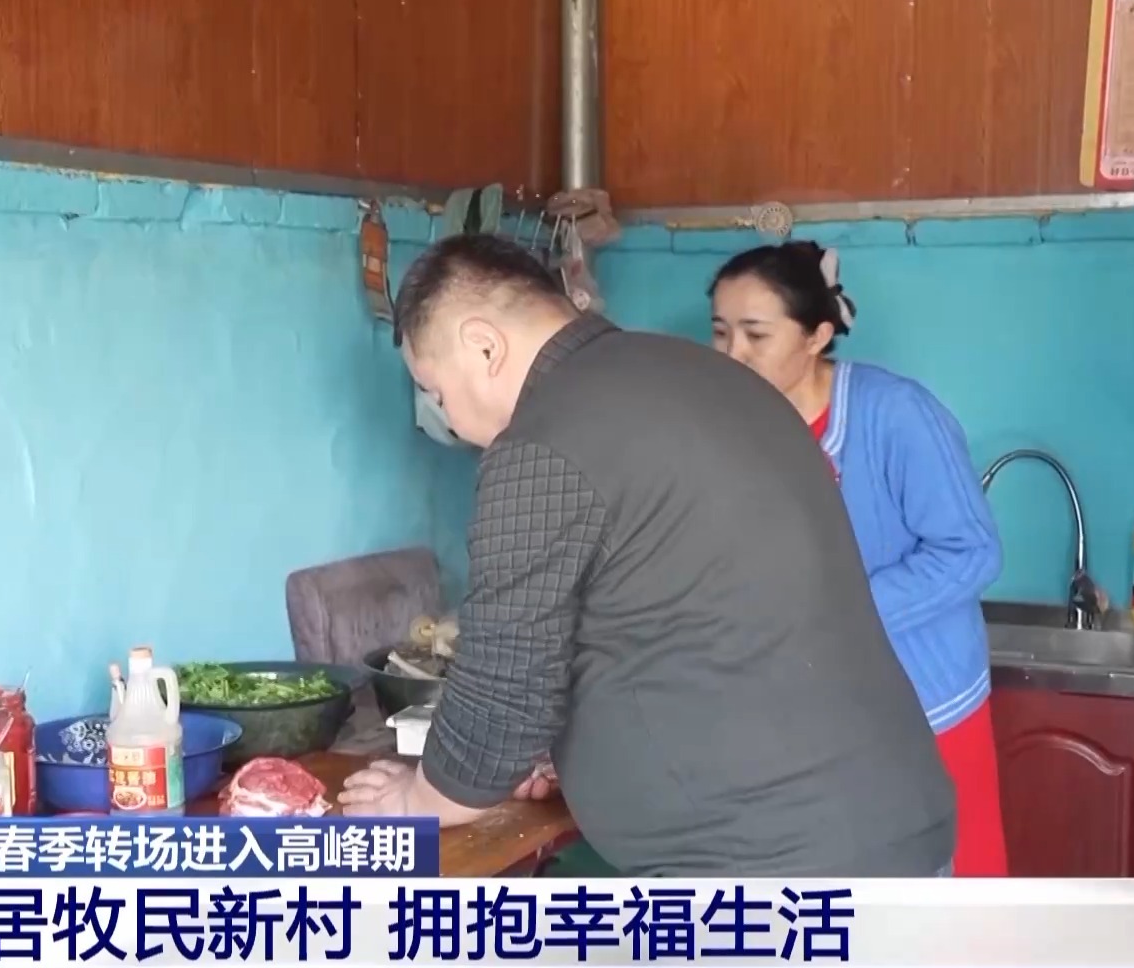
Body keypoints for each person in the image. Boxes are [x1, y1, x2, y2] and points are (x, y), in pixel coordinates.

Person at [338, 233, 956, 877]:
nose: (453, 425)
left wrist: (416, 800)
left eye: (438, 394)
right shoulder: (710, 377)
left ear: (485, 346)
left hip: (771, 869)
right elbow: (693, 617)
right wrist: (573, 751)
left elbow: (501, 697)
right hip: (891, 824)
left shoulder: (542, 441)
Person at [707, 240, 1008, 876]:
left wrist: (837, 612)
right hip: (813, 715)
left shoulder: (893, 414)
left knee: (947, 893)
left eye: (755, 335)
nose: (732, 354)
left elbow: (971, 552)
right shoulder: (738, 428)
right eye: (720, 332)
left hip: (924, 704)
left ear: (816, 336)